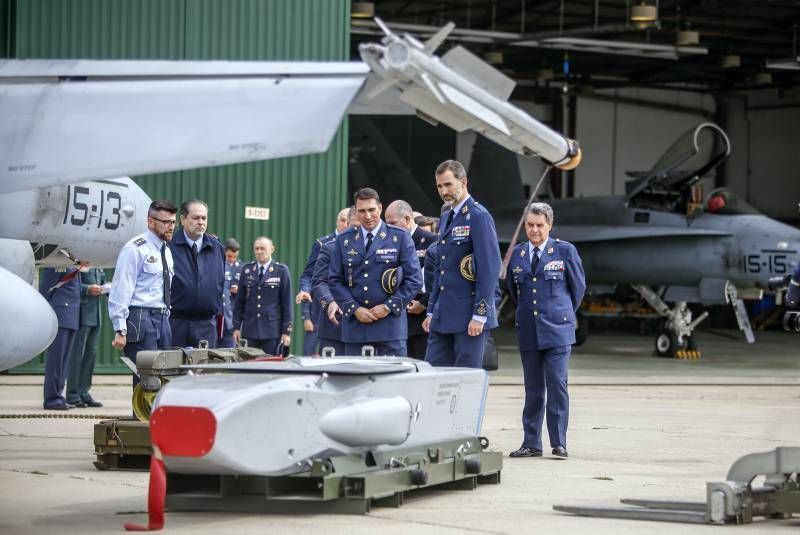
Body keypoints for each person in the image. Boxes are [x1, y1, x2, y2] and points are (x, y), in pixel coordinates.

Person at [506, 202, 585, 459]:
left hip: (558, 331)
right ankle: (531, 443)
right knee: (533, 389)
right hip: (529, 330)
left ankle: (559, 442)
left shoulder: (564, 251)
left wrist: (561, 313)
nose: (534, 230)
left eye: (540, 225)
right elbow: (513, 291)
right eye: (530, 225)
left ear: (549, 225)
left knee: (557, 384)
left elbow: (578, 289)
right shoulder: (517, 254)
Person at [422, 159, 501, 368]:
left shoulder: (478, 216)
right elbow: (442, 267)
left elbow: (489, 268)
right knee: (433, 373)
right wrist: (431, 311)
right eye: (439, 186)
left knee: (466, 379)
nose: (443, 191)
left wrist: (480, 314)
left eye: (448, 184)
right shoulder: (447, 216)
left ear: (463, 182)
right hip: (443, 313)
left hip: (469, 315)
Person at [329, 188, 422, 356]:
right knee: (356, 380)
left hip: (390, 328)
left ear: (380, 208)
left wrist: (388, 307)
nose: (368, 215)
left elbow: (414, 279)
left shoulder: (399, 237)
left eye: (372, 210)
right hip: (355, 328)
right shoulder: (344, 239)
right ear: (356, 212)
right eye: (362, 211)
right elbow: (335, 280)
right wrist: (355, 309)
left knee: (393, 381)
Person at [109, 199, 176, 387]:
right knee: (148, 381)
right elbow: (121, 288)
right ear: (150, 222)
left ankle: (155, 417)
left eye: (173, 222)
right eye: (166, 222)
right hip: (141, 319)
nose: (170, 227)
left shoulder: (167, 251)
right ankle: (142, 417)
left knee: (164, 379)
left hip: (163, 319)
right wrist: (120, 328)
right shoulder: (135, 248)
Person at [168, 199, 226, 348]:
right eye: (195, 218)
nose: (201, 222)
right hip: (176, 325)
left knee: (204, 371)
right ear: (182, 219)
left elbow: (219, 283)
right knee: (175, 370)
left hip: (207, 327)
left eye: (204, 218)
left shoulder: (217, 248)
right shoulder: (169, 247)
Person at [385, 200, 437, 359]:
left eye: (393, 223)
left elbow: (438, 278)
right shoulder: (389, 242)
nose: (390, 228)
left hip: (422, 315)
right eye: (387, 224)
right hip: (398, 312)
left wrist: (424, 303)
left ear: (407, 219)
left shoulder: (431, 240)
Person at [296, 209, 349, 354]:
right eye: (342, 220)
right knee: (313, 352)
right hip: (324, 305)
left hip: (347, 306)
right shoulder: (323, 244)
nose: (345, 224)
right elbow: (308, 274)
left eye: (348, 221)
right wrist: (305, 290)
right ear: (337, 222)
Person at [311, 207, 360, 356]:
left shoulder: (381, 249)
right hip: (336, 325)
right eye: (354, 227)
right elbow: (319, 281)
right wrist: (330, 302)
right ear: (347, 224)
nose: (358, 233)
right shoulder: (330, 248)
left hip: (366, 327)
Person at [232, 237, 293, 354]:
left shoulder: (281, 271)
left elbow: (287, 304)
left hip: (272, 331)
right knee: (249, 367)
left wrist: (286, 332)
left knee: (271, 368)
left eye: (262, 248)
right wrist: (236, 328)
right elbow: (239, 302)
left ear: (272, 249)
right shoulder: (247, 270)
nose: (259, 251)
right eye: (256, 249)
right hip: (250, 331)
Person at [39, 266, 82, 410]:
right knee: (56, 360)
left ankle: (59, 396)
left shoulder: (73, 264)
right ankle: (52, 399)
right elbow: (46, 287)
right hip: (60, 313)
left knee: (64, 362)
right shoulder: (58, 263)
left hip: (71, 315)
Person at [65, 267, 107, 408]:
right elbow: (71, 285)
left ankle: (84, 393)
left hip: (96, 317)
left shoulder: (98, 265)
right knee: (77, 356)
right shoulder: (80, 263)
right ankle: (72, 395)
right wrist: (87, 289)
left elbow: (102, 282)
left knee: (90, 356)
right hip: (82, 315)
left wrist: (108, 287)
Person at [220, 238, 243, 347]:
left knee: (230, 351)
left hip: (232, 319)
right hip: (219, 316)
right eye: (229, 256)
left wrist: (240, 291)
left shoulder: (241, 268)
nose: (232, 259)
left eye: (235, 257)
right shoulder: (219, 264)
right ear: (224, 252)